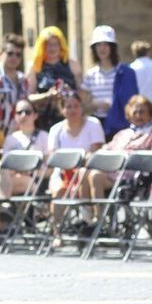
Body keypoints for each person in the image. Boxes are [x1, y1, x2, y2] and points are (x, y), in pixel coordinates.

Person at [46, 91, 105, 244]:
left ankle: (91, 220)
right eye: (68, 107)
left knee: (84, 172)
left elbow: (95, 152)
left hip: (86, 172)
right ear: (62, 109)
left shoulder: (93, 124)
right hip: (62, 172)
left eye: (76, 106)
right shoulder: (56, 130)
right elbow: (54, 157)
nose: (72, 110)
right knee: (58, 190)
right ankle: (57, 233)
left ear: (81, 108)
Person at [80, 26, 139, 137]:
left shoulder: (125, 72)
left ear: (112, 47)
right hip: (98, 126)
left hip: (121, 126)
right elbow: (83, 106)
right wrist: (95, 104)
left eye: (106, 44)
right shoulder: (90, 75)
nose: (102, 48)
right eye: (98, 45)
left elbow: (133, 101)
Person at [26, 27, 82, 132]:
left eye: (55, 44)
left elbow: (82, 93)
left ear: (61, 46)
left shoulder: (72, 64)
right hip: (44, 120)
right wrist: (47, 95)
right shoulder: (35, 67)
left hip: (70, 118)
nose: (52, 48)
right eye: (48, 44)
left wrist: (69, 92)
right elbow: (29, 97)